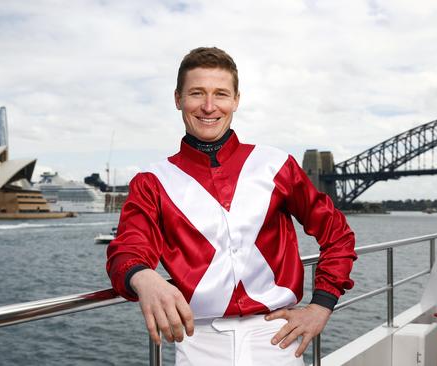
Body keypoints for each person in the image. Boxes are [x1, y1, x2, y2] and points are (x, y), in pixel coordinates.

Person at [106, 47, 356, 365]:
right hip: (198, 344)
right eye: (197, 93)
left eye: (220, 94)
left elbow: (337, 233)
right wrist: (143, 277)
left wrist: (321, 305)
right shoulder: (153, 181)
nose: (209, 107)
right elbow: (127, 250)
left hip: (277, 339)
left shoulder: (276, 164)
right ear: (178, 99)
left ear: (236, 100)